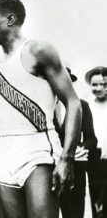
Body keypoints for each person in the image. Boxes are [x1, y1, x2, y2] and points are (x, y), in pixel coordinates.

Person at [0, 0, 82, 218]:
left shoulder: (37, 50)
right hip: (6, 154)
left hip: (38, 150)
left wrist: (66, 159)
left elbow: (73, 103)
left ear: (10, 19)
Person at [56, 65, 98, 218]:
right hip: (47, 166)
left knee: (73, 214)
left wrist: (79, 149)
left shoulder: (81, 105)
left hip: (73, 168)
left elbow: (91, 138)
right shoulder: (44, 107)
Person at [84, 66, 107, 218]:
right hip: (94, 156)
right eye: (94, 84)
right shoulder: (87, 106)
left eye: (104, 84)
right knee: (96, 197)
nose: (99, 88)